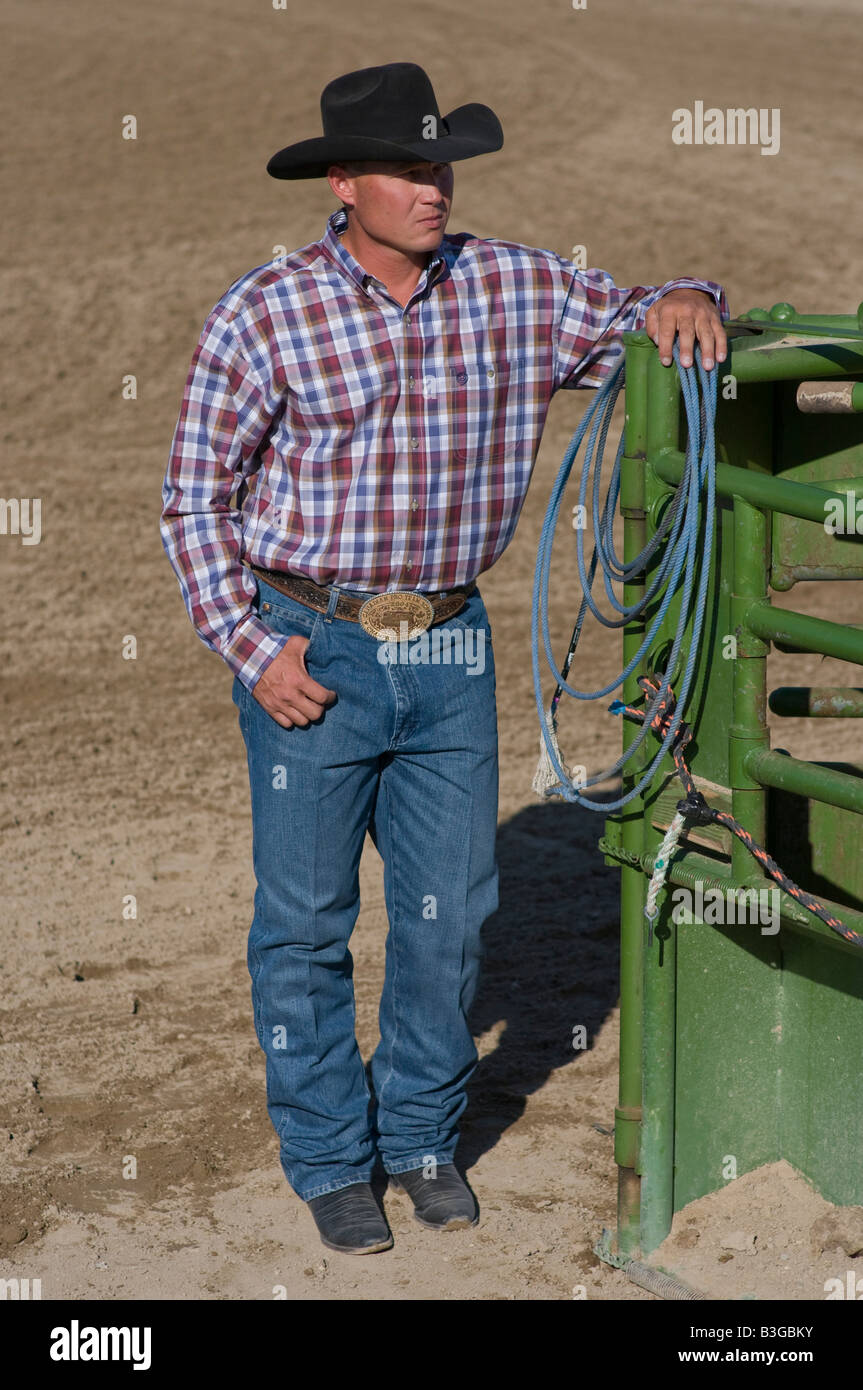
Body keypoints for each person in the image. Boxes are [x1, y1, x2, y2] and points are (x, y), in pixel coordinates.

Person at [160, 61, 728, 1256]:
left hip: (452, 643)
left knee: (452, 914)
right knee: (307, 919)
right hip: (310, 640)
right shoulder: (262, 310)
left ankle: (419, 1133)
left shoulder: (512, 284)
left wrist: (685, 293)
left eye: (441, 164)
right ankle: (328, 1154)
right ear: (343, 182)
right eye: (410, 169)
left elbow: (643, 311)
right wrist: (253, 647)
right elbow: (190, 502)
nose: (433, 187)